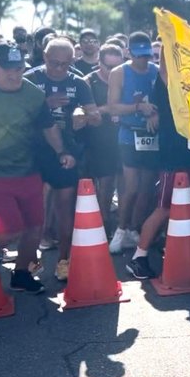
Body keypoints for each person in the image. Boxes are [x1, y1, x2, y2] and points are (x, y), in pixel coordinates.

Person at [0, 42, 76, 294]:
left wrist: (61, 151)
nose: (15, 74)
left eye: (19, 68)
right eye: (8, 68)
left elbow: (47, 125)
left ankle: (21, 274)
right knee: (9, 228)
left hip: (27, 168)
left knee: (34, 226)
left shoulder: (32, 94)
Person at [125, 48, 190, 279]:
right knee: (164, 209)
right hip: (175, 159)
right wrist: (169, 35)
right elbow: (164, 69)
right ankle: (139, 257)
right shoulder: (170, 86)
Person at [25, 38, 100, 281]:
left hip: (66, 152)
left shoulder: (78, 81)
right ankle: (30, 263)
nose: (59, 69)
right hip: (33, 151)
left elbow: (96, 116)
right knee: (34, 212)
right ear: (44, 57)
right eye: (54, 63)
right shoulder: (31, 79)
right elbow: (15, 114)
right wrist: (44, 104)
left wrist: (84, 115)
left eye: (65, 64)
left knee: (65, 209)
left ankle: (64, 261)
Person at [107, 32, 160, 254]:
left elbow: (164, 101)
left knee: (147, 186)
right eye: (139, 56)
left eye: (147, 56)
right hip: (129, 134)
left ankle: (134, 228)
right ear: (129, 53)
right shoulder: (119, 73)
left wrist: (156, 114)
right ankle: (120, 229)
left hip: (152, 135)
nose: (143, 60)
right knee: (131, 186)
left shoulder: (156, 71)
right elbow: (113, 107)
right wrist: (138, 108)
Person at [84, 44, 124, 225]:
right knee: (105, 185)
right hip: (98, 141)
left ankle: (124, 224)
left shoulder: (127, 78)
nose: (114, 71)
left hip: (124, 139)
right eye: (110, 67)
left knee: (127, 186)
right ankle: (102, 223)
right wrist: (108, 109)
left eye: (118, 66)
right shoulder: (88, 82)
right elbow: (84, 112)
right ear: (99, 63)